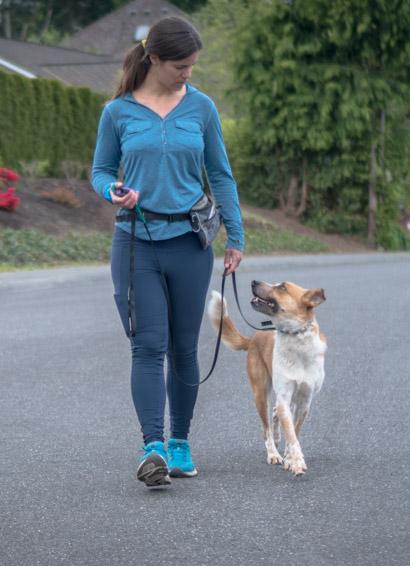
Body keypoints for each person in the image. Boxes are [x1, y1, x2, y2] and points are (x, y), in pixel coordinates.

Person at [91, 16, 244, 488]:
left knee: (182, 349)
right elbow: (99, 171)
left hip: (190, 244)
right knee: (146, 346)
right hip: (135, 243)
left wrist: (234, 235)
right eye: (180, 65)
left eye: (192, 65)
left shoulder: (201, 108)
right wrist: (113, 189)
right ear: (154, 58)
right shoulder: (117, 112)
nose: (187, 73)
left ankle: (180, 442)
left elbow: (220, 174)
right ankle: (152, 447)